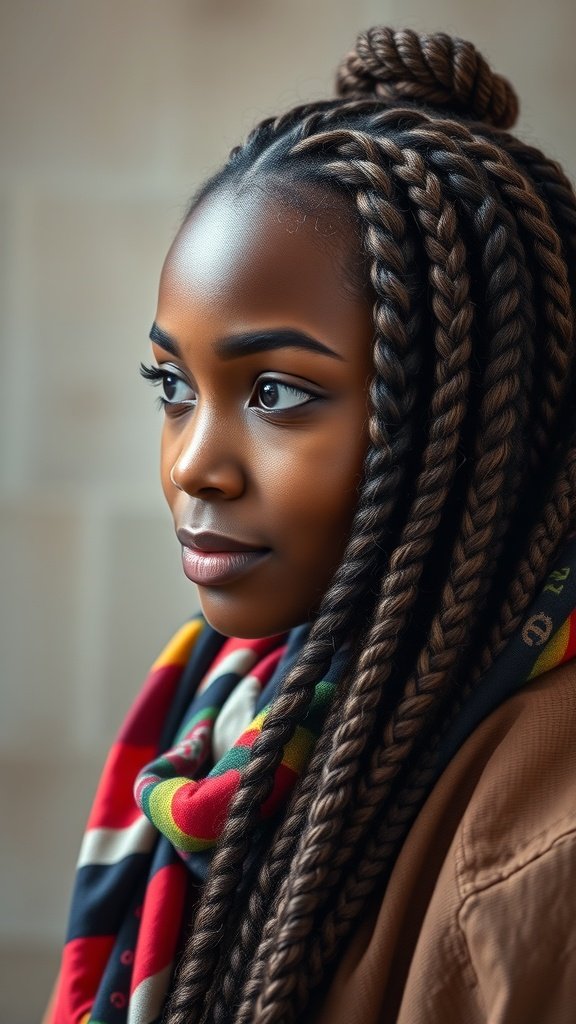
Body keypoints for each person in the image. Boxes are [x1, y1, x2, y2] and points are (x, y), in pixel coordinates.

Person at [46, 25, 576, 1024]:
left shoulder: (539, 861)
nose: (194, 461)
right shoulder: (226, 699)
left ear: (469, 418)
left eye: (278, 391)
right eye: (172, 384)